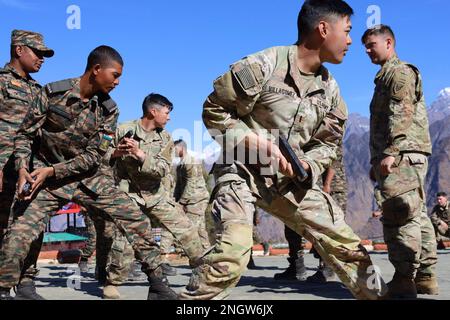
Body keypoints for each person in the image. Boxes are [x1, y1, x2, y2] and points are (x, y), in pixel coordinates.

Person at [180, 0, 387, 300]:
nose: (351, 41)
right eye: (348, 31)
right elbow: (213, 110)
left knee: (349, 249)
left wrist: (306, 165)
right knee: (232, 254)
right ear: (323, 29)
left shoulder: (331, 91)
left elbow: (327, 145)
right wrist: (254, 141)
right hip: (242, 173)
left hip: (290, 181)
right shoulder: (264, 65)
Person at [0, 46, 177, 300]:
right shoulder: (52, 94)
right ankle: (8, 289)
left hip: (87, 179)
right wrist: (22, 168)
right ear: (96, 70)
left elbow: (95, 156)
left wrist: (53, 170)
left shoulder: (109, 110)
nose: (117, 82)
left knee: (134, 218)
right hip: (45, 181)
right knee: (19, 231)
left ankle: (158, 284)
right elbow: (24, 135)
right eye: (114, 75)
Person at [101, 93, 206, 299]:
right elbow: (98, 155)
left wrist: (140, 154)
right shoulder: (121, 129)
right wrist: (115, 153)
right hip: (128, 194)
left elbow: (162, 170)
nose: (169, 118)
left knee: (186, 230)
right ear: (153, 111)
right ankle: (112, 283)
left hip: (156, 195)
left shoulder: (165, 138)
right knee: (123, 240)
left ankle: (203, 272)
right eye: (167, 113)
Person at [363, 24, 438, 298]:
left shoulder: (399, 72)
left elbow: (401, 113)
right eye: (366, 47)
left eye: (372, 45)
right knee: (416, 214)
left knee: (398, 215)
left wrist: (391, 152)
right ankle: (426, 277)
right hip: (406, 154)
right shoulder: (386, 76)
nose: (368, 51)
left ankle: (405, 281)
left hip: (402, 154)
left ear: (389, 42)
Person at [0, 29, 54, 300]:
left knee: (31, 226)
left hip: (28, 169)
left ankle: (25, 283)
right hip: (3, 170)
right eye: (38, 53)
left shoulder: (37, 90)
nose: (42, 59)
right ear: (19, 50)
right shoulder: (1, 82)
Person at [174, 139, 211, 250]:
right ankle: (207, 254)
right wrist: (175, 200)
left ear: (182, 148)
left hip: (197, 198)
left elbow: (191, 182)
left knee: (190, 228)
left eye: (175, 149)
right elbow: (179, 185)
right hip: (191, 198)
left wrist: (182, 201)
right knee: (200, 229)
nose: (173, 151)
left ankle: (196, 257)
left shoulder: (191, 161)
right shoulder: (180, 164)